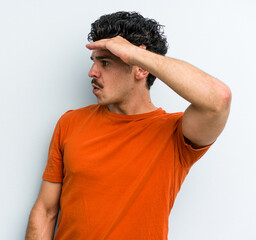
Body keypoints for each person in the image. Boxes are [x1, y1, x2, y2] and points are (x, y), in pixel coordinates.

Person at [25, 11, 231, 240]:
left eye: (105, 62)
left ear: (141, 68)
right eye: (94, 62)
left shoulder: (175, 135)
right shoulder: (70, 123)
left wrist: (134, 54)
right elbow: (45, 210)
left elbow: (218, 99)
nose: (92, 72)